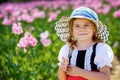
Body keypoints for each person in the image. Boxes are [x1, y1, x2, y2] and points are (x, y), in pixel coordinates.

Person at [55, 7, 114, 80]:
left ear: (94, 29)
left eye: (86, 25)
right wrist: (62, 67)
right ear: (71, 30)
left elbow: (105, 77)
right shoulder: (67, 50)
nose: (82, 29)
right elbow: (62, 78)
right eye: (77, 26)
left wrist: (80, 72)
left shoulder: (100, 49)